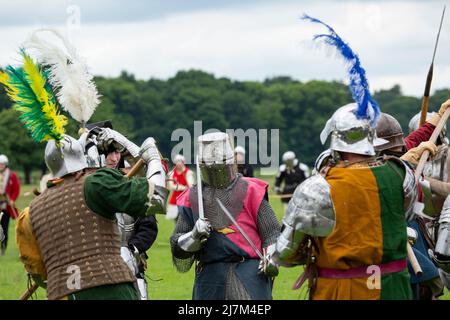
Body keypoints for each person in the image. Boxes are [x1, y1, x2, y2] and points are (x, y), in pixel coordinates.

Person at [16, 134, 168, 300]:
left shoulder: (30, 212)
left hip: (62, 293)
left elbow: (37, 270)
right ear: (81, 157)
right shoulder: (96, 183)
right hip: (111, 288)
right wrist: (152, 157)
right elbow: (157, 198)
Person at [170, 132, 280, 300]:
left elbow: (271, 232)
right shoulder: (192, 197)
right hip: (210, 277)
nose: (216, 173)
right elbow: (178, 249)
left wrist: (271, 259)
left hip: (249, 273)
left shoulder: (251, 190)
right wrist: (194, 236)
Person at [95, 127, 161, 300]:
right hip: (94, 268)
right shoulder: (83, 186)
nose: (114, 158)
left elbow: (148, 227)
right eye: (108, 153)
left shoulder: (131, 182)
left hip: (131, 265)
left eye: (117, 152)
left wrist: (132, 251)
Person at [0, 154, 20, 255]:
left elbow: (16, 188)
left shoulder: (12, 175)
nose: (0, 166)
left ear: (5, 164)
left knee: (4, 228)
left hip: (6, 207)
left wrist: (12, 199)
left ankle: (3, 248)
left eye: (2, 164)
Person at [167, 154, 195, 220]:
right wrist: (183, 187)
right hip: (175, 199)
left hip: (185, 200)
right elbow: (171, 186)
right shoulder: (172, 173)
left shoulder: (188, 173)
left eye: (180, 161)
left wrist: (179, 187)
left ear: (183, 162)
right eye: (177, 161)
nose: (178, 163)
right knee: (175, 219)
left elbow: (191, 186)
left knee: (185, 219)